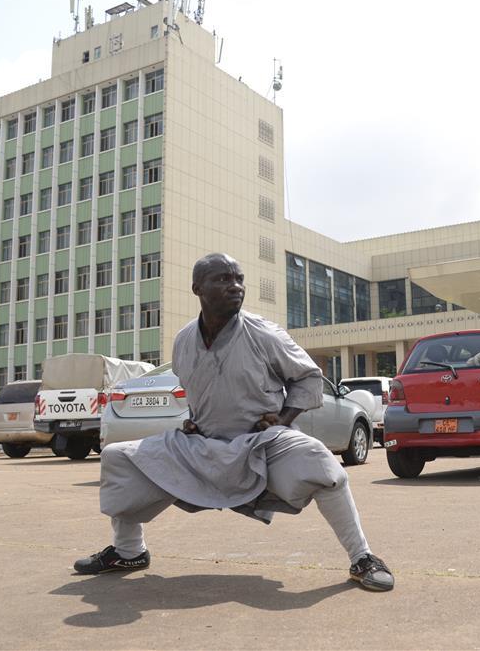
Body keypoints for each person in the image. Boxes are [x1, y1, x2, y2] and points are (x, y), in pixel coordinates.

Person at [73, 253, 393, 592]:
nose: (236, 287)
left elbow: (309, 379)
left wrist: (282, 419)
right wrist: (192, 421)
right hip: (203, 445)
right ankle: (129, 551)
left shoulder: (265, 333)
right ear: (197, 287)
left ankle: (363, 557)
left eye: (239, 279)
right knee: (119, 457)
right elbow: (199, 388)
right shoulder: (183, 340)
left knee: (320, 463)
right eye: (223, 279)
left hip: (263, 443)